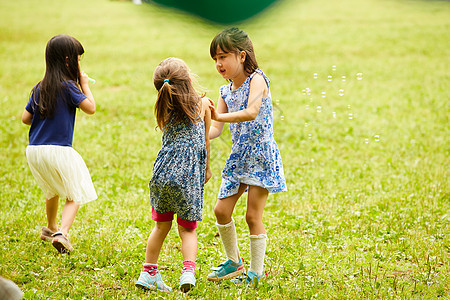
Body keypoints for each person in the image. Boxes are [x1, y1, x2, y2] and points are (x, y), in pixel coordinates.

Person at [206, 27, 287, 286]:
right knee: (221, 211)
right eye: (215, 59)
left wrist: (218, 116)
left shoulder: (258, 80)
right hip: (239, 158)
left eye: (223, 56)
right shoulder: (224, 92)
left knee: (252, 216)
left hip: (261, 156)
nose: (219, 63)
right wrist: (197, 128)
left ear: (241, 56)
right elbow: (215, 130)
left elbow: (252, 111)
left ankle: (256, 272)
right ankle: (234, 262)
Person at [135, 57, 212, 293]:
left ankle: (148, 272)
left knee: (160, 227)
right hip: (188, 177)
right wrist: (207, 169)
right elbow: (205, 141)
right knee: (187, 229)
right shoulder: (204, 105)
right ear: (189, 80)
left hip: (161, 174)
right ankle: (188, 272)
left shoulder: (164, 107)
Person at [21, 34, 97, 253]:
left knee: (52, 188)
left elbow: (25, 119)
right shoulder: (69, 87)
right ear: (67, 60)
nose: (79, 63)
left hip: (34, 150)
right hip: (59, 149)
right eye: (78, 59)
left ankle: (50, 227)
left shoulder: (39, 87)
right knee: (75, 194)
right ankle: (62, 233)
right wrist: (84, 85)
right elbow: (90, 107)